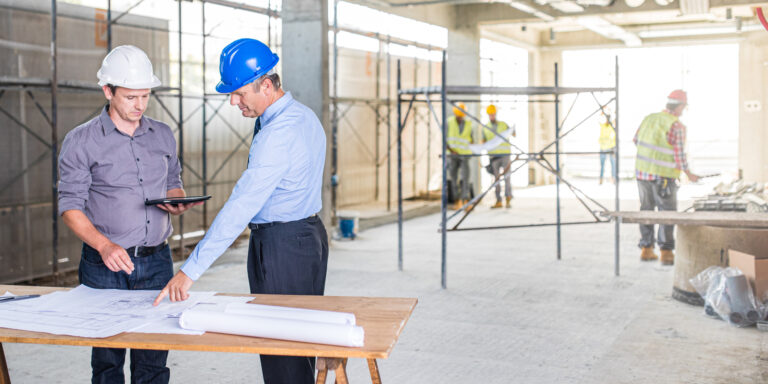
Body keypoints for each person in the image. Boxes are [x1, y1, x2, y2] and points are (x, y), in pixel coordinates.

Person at [153, 38, 328, 384]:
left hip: (282, 247)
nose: (233, 102)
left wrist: (190, 270)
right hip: (307, 238)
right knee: (298, 344)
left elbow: (241, 206)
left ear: (266, 84)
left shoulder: (278, 133)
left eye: (239, 93)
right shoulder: (303, 116)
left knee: (282, 355)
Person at [58, 45, 199, 383]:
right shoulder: (81, 141)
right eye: (130, 97)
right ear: (108, 91)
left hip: (156, 262)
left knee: (153, 357)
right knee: (107, 359)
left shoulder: (163, 134)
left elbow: (173, 182)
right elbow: (70, 206)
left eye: (145, 96)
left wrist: (176, 200)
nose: (139, 105)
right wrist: (104, 246)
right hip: (103, 264)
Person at [634, 89, 700, 265]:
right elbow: (679, 156)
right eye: (683, 107)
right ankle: (666, 252)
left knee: (646, 210)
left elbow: (636, 140)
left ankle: (646, 249)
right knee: (667, 213)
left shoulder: (649, 118)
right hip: (664, 178)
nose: (683, 111)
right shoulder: (676, 126)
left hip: (642, 173)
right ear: (679, 106)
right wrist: (689, 174)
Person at [482, 104, 515, 209]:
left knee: (507, 177)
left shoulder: (503, 125)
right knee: (496, 179)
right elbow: (483, 141)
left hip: (505, 155)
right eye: (490, 115)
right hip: (494, 157)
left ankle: (508, 199)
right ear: (488, 115)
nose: (492, 116)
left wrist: (513, 130)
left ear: (495, 114)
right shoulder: (485, 128)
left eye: (493, 114)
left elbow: (513, 134)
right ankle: (498, 200)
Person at [446, 102, 474, 210]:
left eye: (462, 116)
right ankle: (457, 201)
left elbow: (471, 139)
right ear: (455, 114)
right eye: (459, 116)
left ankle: (465, 200)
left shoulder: (468, 123)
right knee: (453, 178)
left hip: (465, 155)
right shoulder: (449, 122)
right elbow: (444, 139)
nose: (460, 118)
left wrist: (474, 145)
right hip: (452, 155)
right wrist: (451, 150)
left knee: (465, 178)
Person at [598, 109, 616, 185]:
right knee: (604, 165)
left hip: (610, 147)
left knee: (612, 165)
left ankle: (613, 179)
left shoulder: (611, 127)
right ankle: (601, 179)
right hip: (604, 147)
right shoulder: (604, 126)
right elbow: (598, 120)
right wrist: (602, 112)